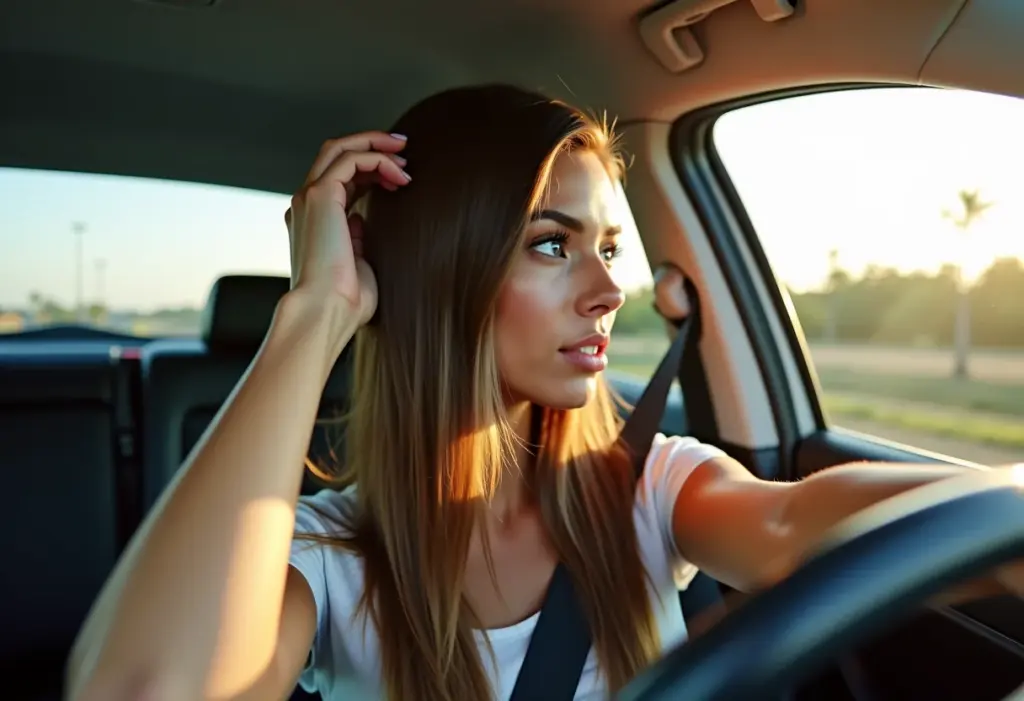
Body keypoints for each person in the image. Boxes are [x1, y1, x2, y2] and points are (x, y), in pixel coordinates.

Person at [66, 84, 1019, 701]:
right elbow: (146, 688)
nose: (608, 290)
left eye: (609, 247)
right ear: (444, 269)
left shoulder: (646, 486)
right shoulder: (326, 552)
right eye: (552, 244)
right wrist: (316, 313)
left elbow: (794, 523)